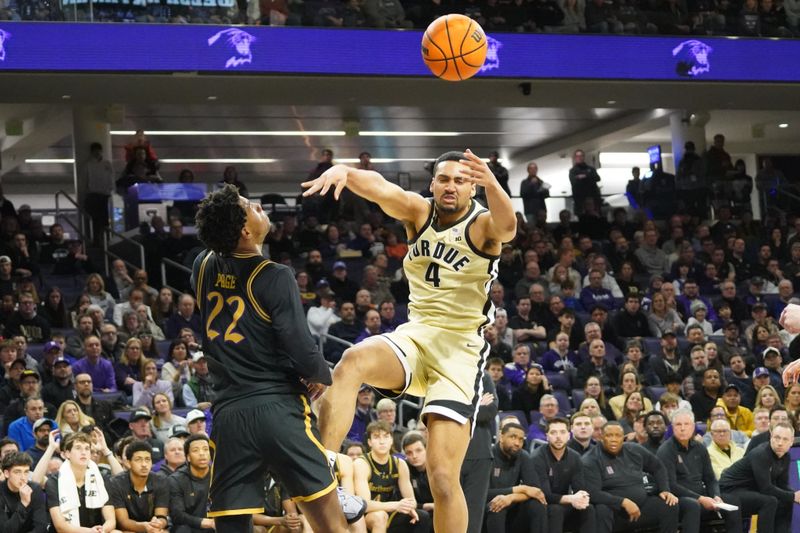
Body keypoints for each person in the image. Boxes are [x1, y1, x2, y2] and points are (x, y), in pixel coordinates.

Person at [303, 149, 516, 533]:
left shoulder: (483, 224)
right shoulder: (419, 212)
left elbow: (509, 225)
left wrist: (493, 182)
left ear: (472, 187)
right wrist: (345, 171)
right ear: (433, 183)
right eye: (444, 179)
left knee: (443, 478)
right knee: (352, 360)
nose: (450, 186)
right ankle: (326, 475)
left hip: (459, 352)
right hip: (416, 335)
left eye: (460, 180)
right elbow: (381, 188)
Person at [193, 184, 357, 532]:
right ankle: (330, 479)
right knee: (331, 523)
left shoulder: (202, 265)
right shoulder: (274, 275)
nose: (257, 205)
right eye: (250, 205)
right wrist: (319, 374)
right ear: (245, 230)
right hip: (277, 408)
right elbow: (299, 345)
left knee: (231, 524)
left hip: (229, 414)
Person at [582, 422, 679, 533]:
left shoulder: (634, 450)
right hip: (615, 511)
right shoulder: (591, 460)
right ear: (601, 437)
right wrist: (623, 502)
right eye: (609, 435)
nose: (614, 439)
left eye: (618, 435)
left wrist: (664, 489)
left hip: (641, 507)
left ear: (623, 438)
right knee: (602, 509)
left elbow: (658, 467)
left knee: (670, 505)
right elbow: (593, 493)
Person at [656, 409, 742, 533]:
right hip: (680, 497)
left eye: (687, 424)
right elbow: (671, 485)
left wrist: (715, 495)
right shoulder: (665, 450)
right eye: (678, 425)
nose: (683, 428)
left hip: (702, 494)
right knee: (693, 505)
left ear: (693, 427)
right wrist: (700, 498)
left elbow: (710, 478)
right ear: (672, 427)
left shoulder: (700, 447)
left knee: (732, 499)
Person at [720, 422, 800, 533]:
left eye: (785, 439)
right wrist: (792, 496)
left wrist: (795, 496)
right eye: (777, 438)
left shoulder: (786, 456)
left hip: (750, 489)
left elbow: (783, 485)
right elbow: (766, 488)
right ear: (771, 436)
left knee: (785, 501)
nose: (780, 443)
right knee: (770, 501)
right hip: (731, 489)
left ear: (791, 442)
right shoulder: (761, 454)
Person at [354, 421, 431, 532]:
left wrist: (408, 507)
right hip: (366, 515)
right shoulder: (361, 463)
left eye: (386, 437)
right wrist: (396, 505)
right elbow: (365, 505)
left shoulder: (400, 464)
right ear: (369, 442)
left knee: (422, 516)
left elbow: (412, 501)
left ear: (391, 440)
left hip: (390, 512)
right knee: (380, 516)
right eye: (376, 437)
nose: (382, 442)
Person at [531, 417, 594, 533]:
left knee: (588, 508)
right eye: (553, 433)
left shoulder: (575, 457)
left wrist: (581, 497)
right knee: (556, 510)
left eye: (562, 432)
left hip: (564, 503)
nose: (558, 436)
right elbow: (544, 495)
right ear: (547, 436)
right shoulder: (537, 458)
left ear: (569, 435)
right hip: (543, 505)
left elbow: (579, 488)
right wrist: (571, 498)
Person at [45, 432, 117, 533]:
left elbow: (111, 520)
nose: (84, 452)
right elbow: (60, 527)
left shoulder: (101, 478)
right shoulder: (54, 482)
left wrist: (102, 530)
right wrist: (90, 532)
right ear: (67, 454)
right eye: (78, 448)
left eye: (87, 449)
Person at [485, 422, 547, 533]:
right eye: (513, 437)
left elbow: (535, 491)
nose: (517, 443)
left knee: (537, 505)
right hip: (488, 509)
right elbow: (483, 494)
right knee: (497, 505)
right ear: (501, 436)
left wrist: (511, 498)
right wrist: (519, 489)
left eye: (521, 439)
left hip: (514, 509)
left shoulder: (523, 456)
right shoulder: (487, 455)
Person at [108, 440, 169, 533]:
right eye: (138, 460)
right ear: (128, 463)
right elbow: (123, 521)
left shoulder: (161, 481)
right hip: (127, 529)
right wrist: (144, 527)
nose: (144, 464)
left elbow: (161, 516)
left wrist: (159, 523)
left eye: (147, 459)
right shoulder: (116, 483)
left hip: (152, 529)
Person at [168, 434, 215, 533]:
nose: (202, 453)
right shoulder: (176, 480)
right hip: (189, 527)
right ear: (188, 457)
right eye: (196, 450)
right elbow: (178, 515)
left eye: (205, 449)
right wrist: (204, 522)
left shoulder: (219, 476)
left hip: (216, 525)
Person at [0, 451, 48, 532]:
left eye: (26, 472)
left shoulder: (35, 489)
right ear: (6, 473)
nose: (23, 477)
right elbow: (5, 530)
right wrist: (23, 504)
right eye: (17, 472)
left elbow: (41, 526)